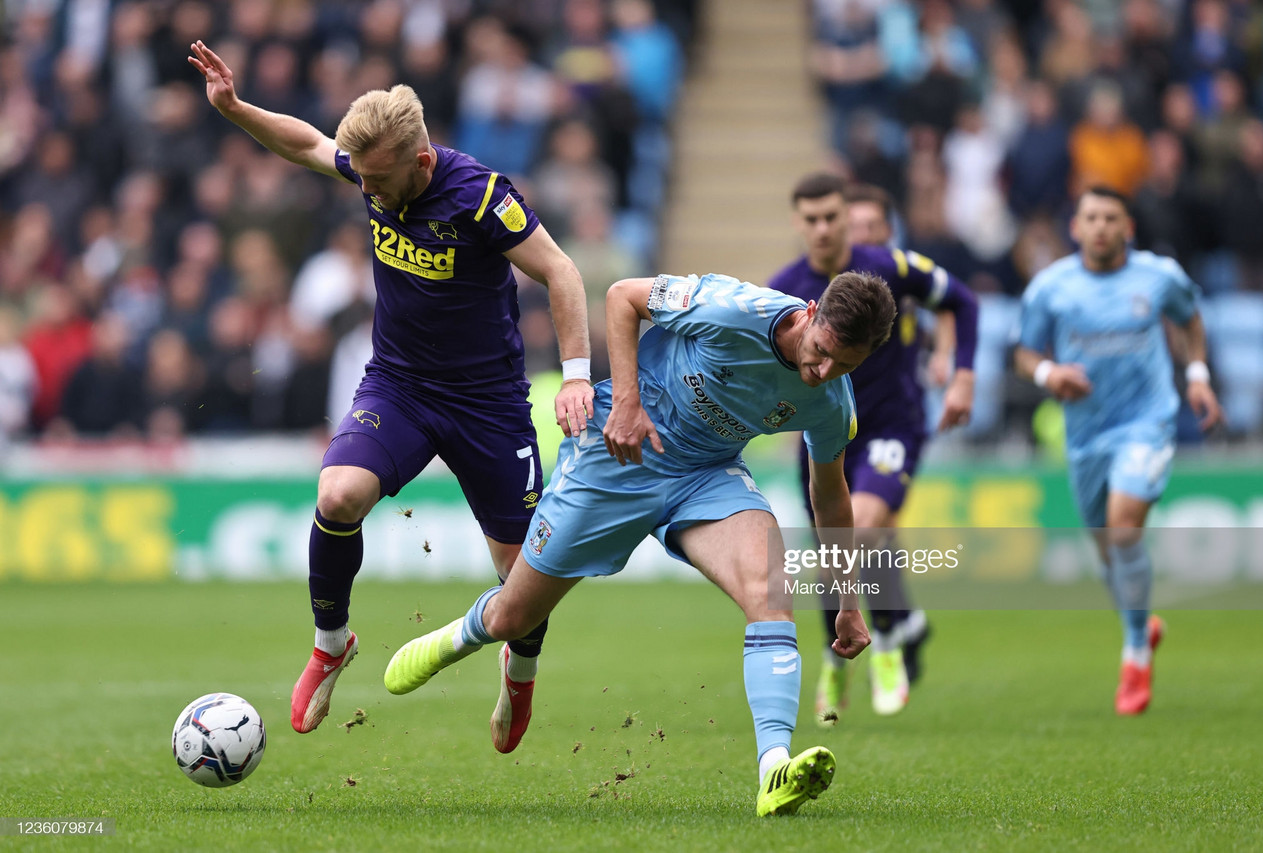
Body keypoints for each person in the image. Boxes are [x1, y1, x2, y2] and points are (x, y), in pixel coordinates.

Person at [188, 42, 594, 744]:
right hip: (401, 384)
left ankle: (519, 672)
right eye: (363, 180)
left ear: (423, 162)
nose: (368, 193)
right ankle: (331, 642)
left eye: (379, 181)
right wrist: (235, 107)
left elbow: (562, 273)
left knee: (523, 579)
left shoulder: (482, 198)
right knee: (337, 494)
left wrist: (579, 375)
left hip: (488, 400)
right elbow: (310, 144)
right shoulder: (373, 165)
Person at [383, 271, 898, 816]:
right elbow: (622, 297)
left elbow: (831, 498)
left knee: (771, 590)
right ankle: (466, 635)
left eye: (846, 366)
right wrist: (626, 402)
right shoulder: (731, 308)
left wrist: (847, 600)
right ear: (811, 312)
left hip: (707, 475)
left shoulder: (832, 402)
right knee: (515, 617)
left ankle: (775, 768)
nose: (823, 373)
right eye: (821, 353)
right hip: (619, 451)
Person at [768, 175, 978, 720]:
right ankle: (840, 661)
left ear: (845, 216)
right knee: (835, 556)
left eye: (831, 217)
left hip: (890, 426)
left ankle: (886, 643)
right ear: (797, 222)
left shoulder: (888, 269)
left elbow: (963, 300)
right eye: (810, 219)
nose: (822, 228)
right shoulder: (783, 290)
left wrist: (962, 375)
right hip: (823, 440)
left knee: (858, 532)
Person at [1015, 186, 1222, 715]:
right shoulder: (1051, 287)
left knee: (1123, 525)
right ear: (1075, 228)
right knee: (1108, 547)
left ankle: (1134, 652)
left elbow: (1191, 318)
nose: (1101, 226)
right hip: (1085, 435)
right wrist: (1049, 372)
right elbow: (1024, 352)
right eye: (1091, 217)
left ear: (1128, 227)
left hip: (1147, 422)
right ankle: (1142, 624)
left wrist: (1196, 376)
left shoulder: (1159, 276)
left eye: (1111, 217)